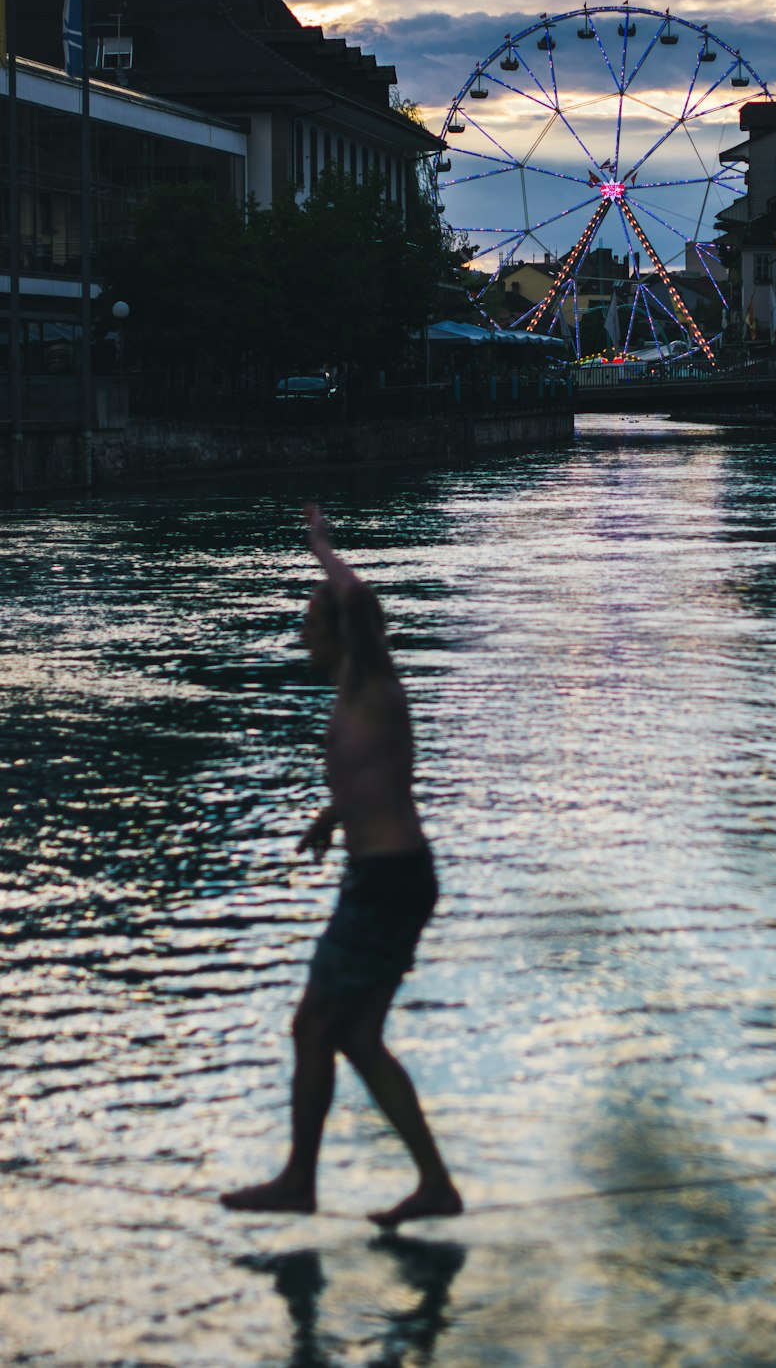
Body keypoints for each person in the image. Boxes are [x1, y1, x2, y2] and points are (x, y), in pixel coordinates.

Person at [221, 505, 462, 1227]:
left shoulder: (366, 676)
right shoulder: (357, 698)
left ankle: (300, 1180)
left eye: (309, 621)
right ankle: (434, 1187)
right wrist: (329, 821)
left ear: (339, 631)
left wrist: (321, 547)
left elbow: (357, 601)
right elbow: (374, 776)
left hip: (387, 882)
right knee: (352, 1036)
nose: (302, 632)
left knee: (314, 1026)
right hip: (391, 876)